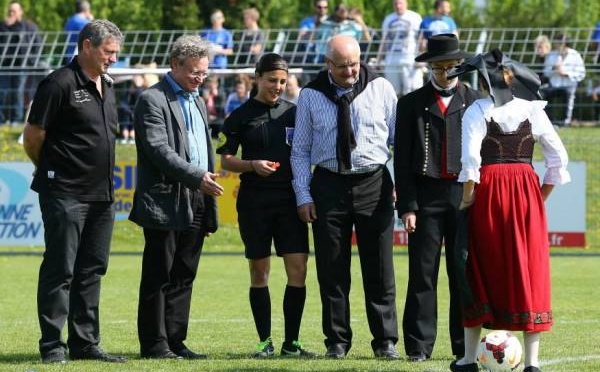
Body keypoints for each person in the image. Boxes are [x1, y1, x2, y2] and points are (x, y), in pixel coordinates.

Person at [446, 48, 570, 372]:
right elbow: (558, 159)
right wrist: (537, 198)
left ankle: (469, 359)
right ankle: (532, 363)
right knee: (529, 270)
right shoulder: (534, 111)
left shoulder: (477, 111)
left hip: (489, 193)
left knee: (477, 268)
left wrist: (468, 199)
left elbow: (471, 162)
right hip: (527, 191)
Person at [22, 19, 126, 364]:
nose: (113, 59)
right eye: (108, 52)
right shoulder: (59, 83)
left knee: (92, 270)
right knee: (60, 268)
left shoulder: (108, 85)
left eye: (115, 53)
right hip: (64, 192)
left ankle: (85, 343)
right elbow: (33, 136)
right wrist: (51, 168)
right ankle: (52, 346)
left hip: (101, 195)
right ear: (86, 46)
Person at [291, 34, 399, 359]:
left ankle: (385, 342)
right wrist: (302, 194)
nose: (351, 71)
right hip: (328, 185)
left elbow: (399, 141)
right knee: (332, 269)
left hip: (374, 183)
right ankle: (336, 341)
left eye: (354, 64)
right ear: (328, 64)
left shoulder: (381, 87)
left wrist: (401, 189)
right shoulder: (310, 95)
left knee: (379, 269)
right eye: (342, 67)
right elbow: (300, 151)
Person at [129, 34, 224, 360]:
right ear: (174, 65)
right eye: (195, 72)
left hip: (197, 196)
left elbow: (204, 151)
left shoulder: (197, 99)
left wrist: (204, 190)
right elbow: (158, 149)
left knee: (184, 273)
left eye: (204, 73)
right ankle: (154, 344)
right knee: (160, 273)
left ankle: (175, 340)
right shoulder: (151, 99)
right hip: (166, 198)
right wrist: (197, 177)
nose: (200, 79)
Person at [216, 53, 316, 359]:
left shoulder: (295, 113)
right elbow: (226, 159)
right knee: (260, 273)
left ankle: (292, 343)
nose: (278, 86)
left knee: (298, 270)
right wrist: (251, 165)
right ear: (257, 78)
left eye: (283, 81)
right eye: (272, 80)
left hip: (289, 202)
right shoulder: (240, 116)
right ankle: (264, 341)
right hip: (255, 203)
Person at [394, 33, 482, 363]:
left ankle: (464, 347)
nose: (445, 73)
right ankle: (418, 346)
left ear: (461, 67)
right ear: (429, 68)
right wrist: (408, 206)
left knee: (463, 272)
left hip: (465, 197)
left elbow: (485, 155)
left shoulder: (476, 101)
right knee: (422, 273)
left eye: (451, 67)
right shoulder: (411, 103)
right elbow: (401, 161)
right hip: (425, 197)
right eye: (438, 67)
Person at [0, 1, 39, 125]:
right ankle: (2, 119)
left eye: (14, 11)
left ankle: (16, 119)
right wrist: (6, 27)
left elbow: (37, 44)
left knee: (18, 91)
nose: (11, 13)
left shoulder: (29, 26)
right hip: (4, 65)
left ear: (20, 12)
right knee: (3, 92)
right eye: (10, 11)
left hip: (21, 64)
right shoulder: (3, 26)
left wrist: (31, 60)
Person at [380, 0, 423, 96]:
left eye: (400, 3)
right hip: (391, 61)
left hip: (410, 60)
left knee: (413, 92)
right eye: (395, 4)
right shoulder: (388, 19)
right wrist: (379, 59)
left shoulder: (415, 17)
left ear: (406, 3)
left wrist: (421, 58)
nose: (398, 6)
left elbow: (421, 39)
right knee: (393, 93)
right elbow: (384, 40)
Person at [541, 34, 585, 126]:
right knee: (541, 95)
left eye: (558, 43)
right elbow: (545, 72)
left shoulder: (575, 55)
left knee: (568, 94)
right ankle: (550, 121)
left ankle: (565, 122)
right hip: (554, 86)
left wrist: (566, 74)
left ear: (565, 44)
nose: (556, 45)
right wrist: (554, 69)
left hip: (569, 86)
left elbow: (581, 73)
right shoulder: (551, 55)